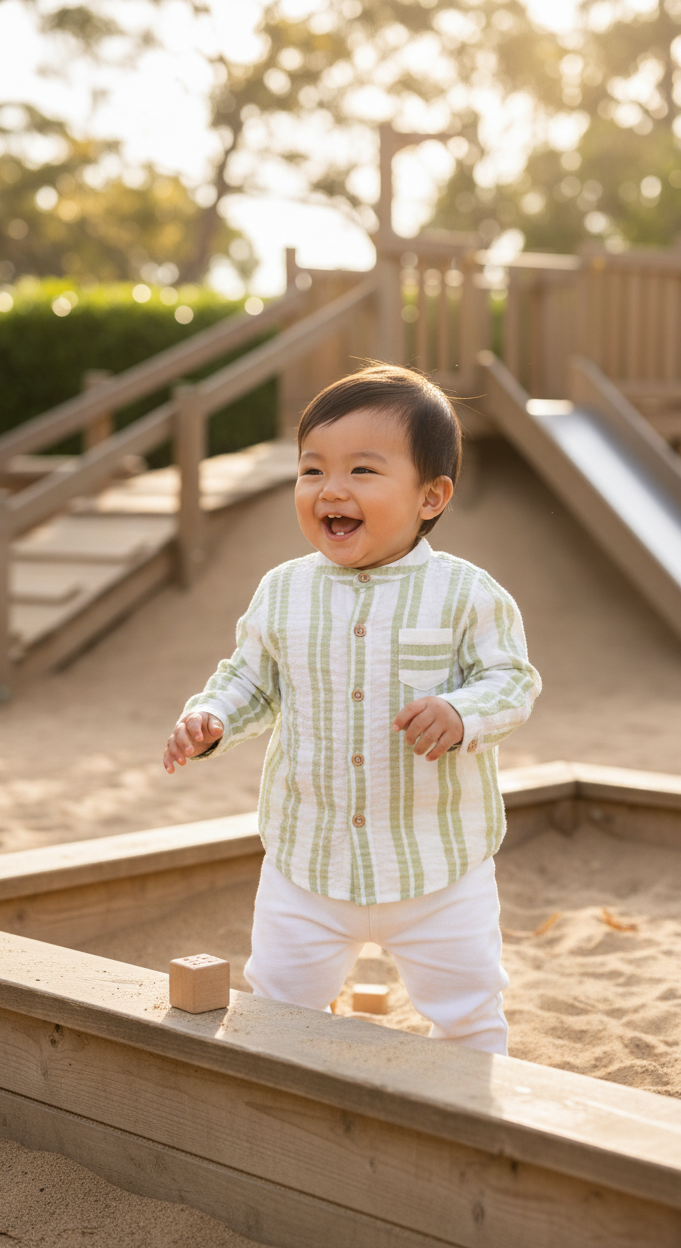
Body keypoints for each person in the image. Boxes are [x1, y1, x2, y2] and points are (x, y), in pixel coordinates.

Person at [162, 364, 542, 1054]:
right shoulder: (283, 591)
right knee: (279, 1011)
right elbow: (249, 679)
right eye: (312, 471)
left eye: (363, 470)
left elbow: (512, 680)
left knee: (469, 1018)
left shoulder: (466, 593)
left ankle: (470, 1126)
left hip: (436, 866)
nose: (331, 489)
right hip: (308, 863)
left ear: (431, 496)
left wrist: (461, 714)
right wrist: (211, 718)